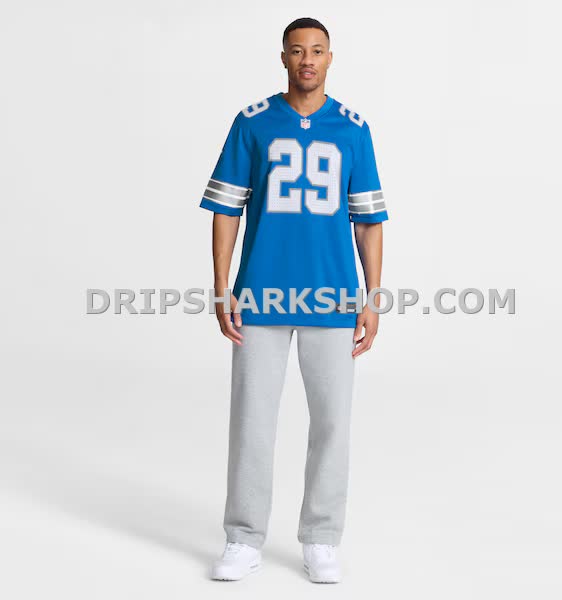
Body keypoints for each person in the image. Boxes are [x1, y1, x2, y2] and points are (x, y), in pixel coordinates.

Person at [199, 17, 388, 583]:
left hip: (333, 294)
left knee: (332, 420)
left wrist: (373, 297)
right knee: (252, 419)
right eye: (298, 50)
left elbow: (368, 221)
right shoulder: (252, 122)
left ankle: (322, 538)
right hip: (260, 293)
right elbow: (226, 209)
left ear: (331, 57)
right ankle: (243, 537)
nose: (308, 59)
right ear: (283, 57)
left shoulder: (353, 129)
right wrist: (221, 286)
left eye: (317, 50)